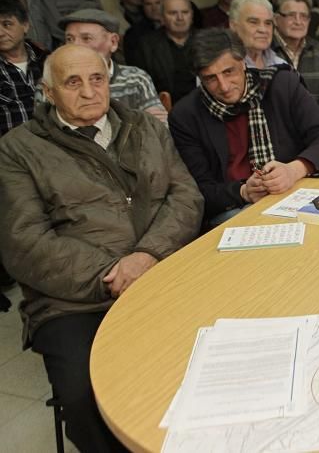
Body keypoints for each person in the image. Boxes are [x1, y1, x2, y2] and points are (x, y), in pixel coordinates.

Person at [0, 44, 203, 453]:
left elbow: (186, 197)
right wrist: (113, 275)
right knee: (84, 396)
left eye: (97, 79)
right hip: (72, 300)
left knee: (213, 364)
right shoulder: (18, 148)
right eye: (73, 82)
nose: (89, 91)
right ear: (48, 92)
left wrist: (146, 257)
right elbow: (25, 242)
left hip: (161, 273)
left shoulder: (146, 128)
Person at [169, 29, 319, 225]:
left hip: (295, 189)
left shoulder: (280, 84)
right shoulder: (185, 115)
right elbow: (197, 191)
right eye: (211, 78)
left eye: (229, 72)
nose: (224, 86)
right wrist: (243, 191)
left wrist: (294, 170)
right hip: (235, 207)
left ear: (243, 62)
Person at [61, 8, 168, 123]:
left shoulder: (135, 79)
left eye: (86, 38)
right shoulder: (54, 82)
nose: (75, 46)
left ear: (113, 42)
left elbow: (158, 129)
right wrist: (137, 121)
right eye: (69, 39)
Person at [272, 0, 319, 122]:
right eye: (291, 15)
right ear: (276, 19)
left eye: (304, 16)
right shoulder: (264, 52)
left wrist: (318, 126)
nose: (298, 22)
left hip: (315, 127)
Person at [136, 0, 197, 105]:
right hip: (168, 108)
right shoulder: (147, 45)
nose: (180, 18)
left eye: (185, 12)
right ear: (162, 18)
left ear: (192, 15)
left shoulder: (207, 40)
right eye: (173, 13)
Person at [0, 0, 47, 136]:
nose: (0, 33)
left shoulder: (46, 61)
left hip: (52, 147)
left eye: (7, 24)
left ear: (25, 25)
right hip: (8, 152)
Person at [229, 0, 288, 70]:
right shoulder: (225, 67)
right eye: (253, 22)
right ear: (233, 26)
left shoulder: (282, 66)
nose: (263, 30)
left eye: (268, 23)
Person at [122, 0, 164, 68]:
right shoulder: (133, 34)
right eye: (148, 4)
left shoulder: (178, 27)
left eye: (157, 3)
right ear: (143, 6)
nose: (154, 8)